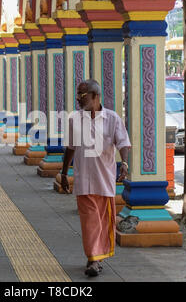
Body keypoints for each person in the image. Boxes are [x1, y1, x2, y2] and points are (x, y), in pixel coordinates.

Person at [60, 79, 131, 277]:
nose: (78, 99)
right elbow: (70, 148)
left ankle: (96, 258)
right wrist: (64, 173)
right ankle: (93, 259)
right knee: (90, 222)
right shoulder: (75, 119)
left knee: (102, 222)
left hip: (105, 180)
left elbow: (123, 143)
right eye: (78, 95)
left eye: (82, 95)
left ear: (95, 96)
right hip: (83, 180)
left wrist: (124, 163)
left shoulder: (112, 118)